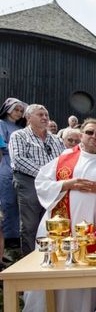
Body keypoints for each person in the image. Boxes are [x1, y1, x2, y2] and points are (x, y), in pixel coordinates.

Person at [24, 118, 96, 312]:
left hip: (93, 225)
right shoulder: (63, 159)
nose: (94, 137)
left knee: (84, 277)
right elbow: (41, 183)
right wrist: (67, 184)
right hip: (60, 226)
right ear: (81, 135)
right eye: (89, 132)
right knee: (54, 271)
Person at [9, 104, 64, 256]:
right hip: (29, 182)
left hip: (53, 184)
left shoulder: (56, 139)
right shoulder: (18, 135)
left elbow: (63, 161)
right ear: (28, 117)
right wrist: (45, 175)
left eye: (46, 114)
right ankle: (29, 260)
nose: (45, 118)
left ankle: (50, 256)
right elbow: (19, 160)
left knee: (51, 222)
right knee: (30, 225)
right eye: (40, 115)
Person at [0, 98, 27, 261]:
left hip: (19, 168)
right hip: (6, 166)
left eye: (20, 110)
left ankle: (18, 237)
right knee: (8, 203)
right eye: (16, 109)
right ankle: (9, 240)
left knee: (19, 204)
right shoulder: (1, 124)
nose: (19, 113)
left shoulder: (19, 128)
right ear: (8, 109)